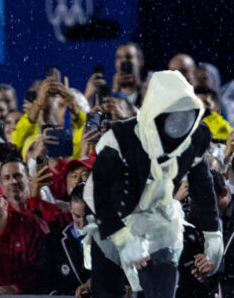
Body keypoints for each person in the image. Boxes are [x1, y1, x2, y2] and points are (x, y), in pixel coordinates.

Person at [86, 70, 221, 298]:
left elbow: (203, 186)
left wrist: (213, 235)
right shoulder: (120, 138)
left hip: (159, 219)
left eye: (185, 116)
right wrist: (123, 238)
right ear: (155, 112)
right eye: (173, 117)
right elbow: (96, 192)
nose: (180, 125)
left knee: (162, 286)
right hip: (112, 216)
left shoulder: (196, 138)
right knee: (107, 288)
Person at [37, 183, 91, 296]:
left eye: (87, 217)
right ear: (70, 208)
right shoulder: (53, 242)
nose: (82, 224)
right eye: (77, 216)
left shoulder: (111, 239)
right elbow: (45, 282)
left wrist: (95, 283)